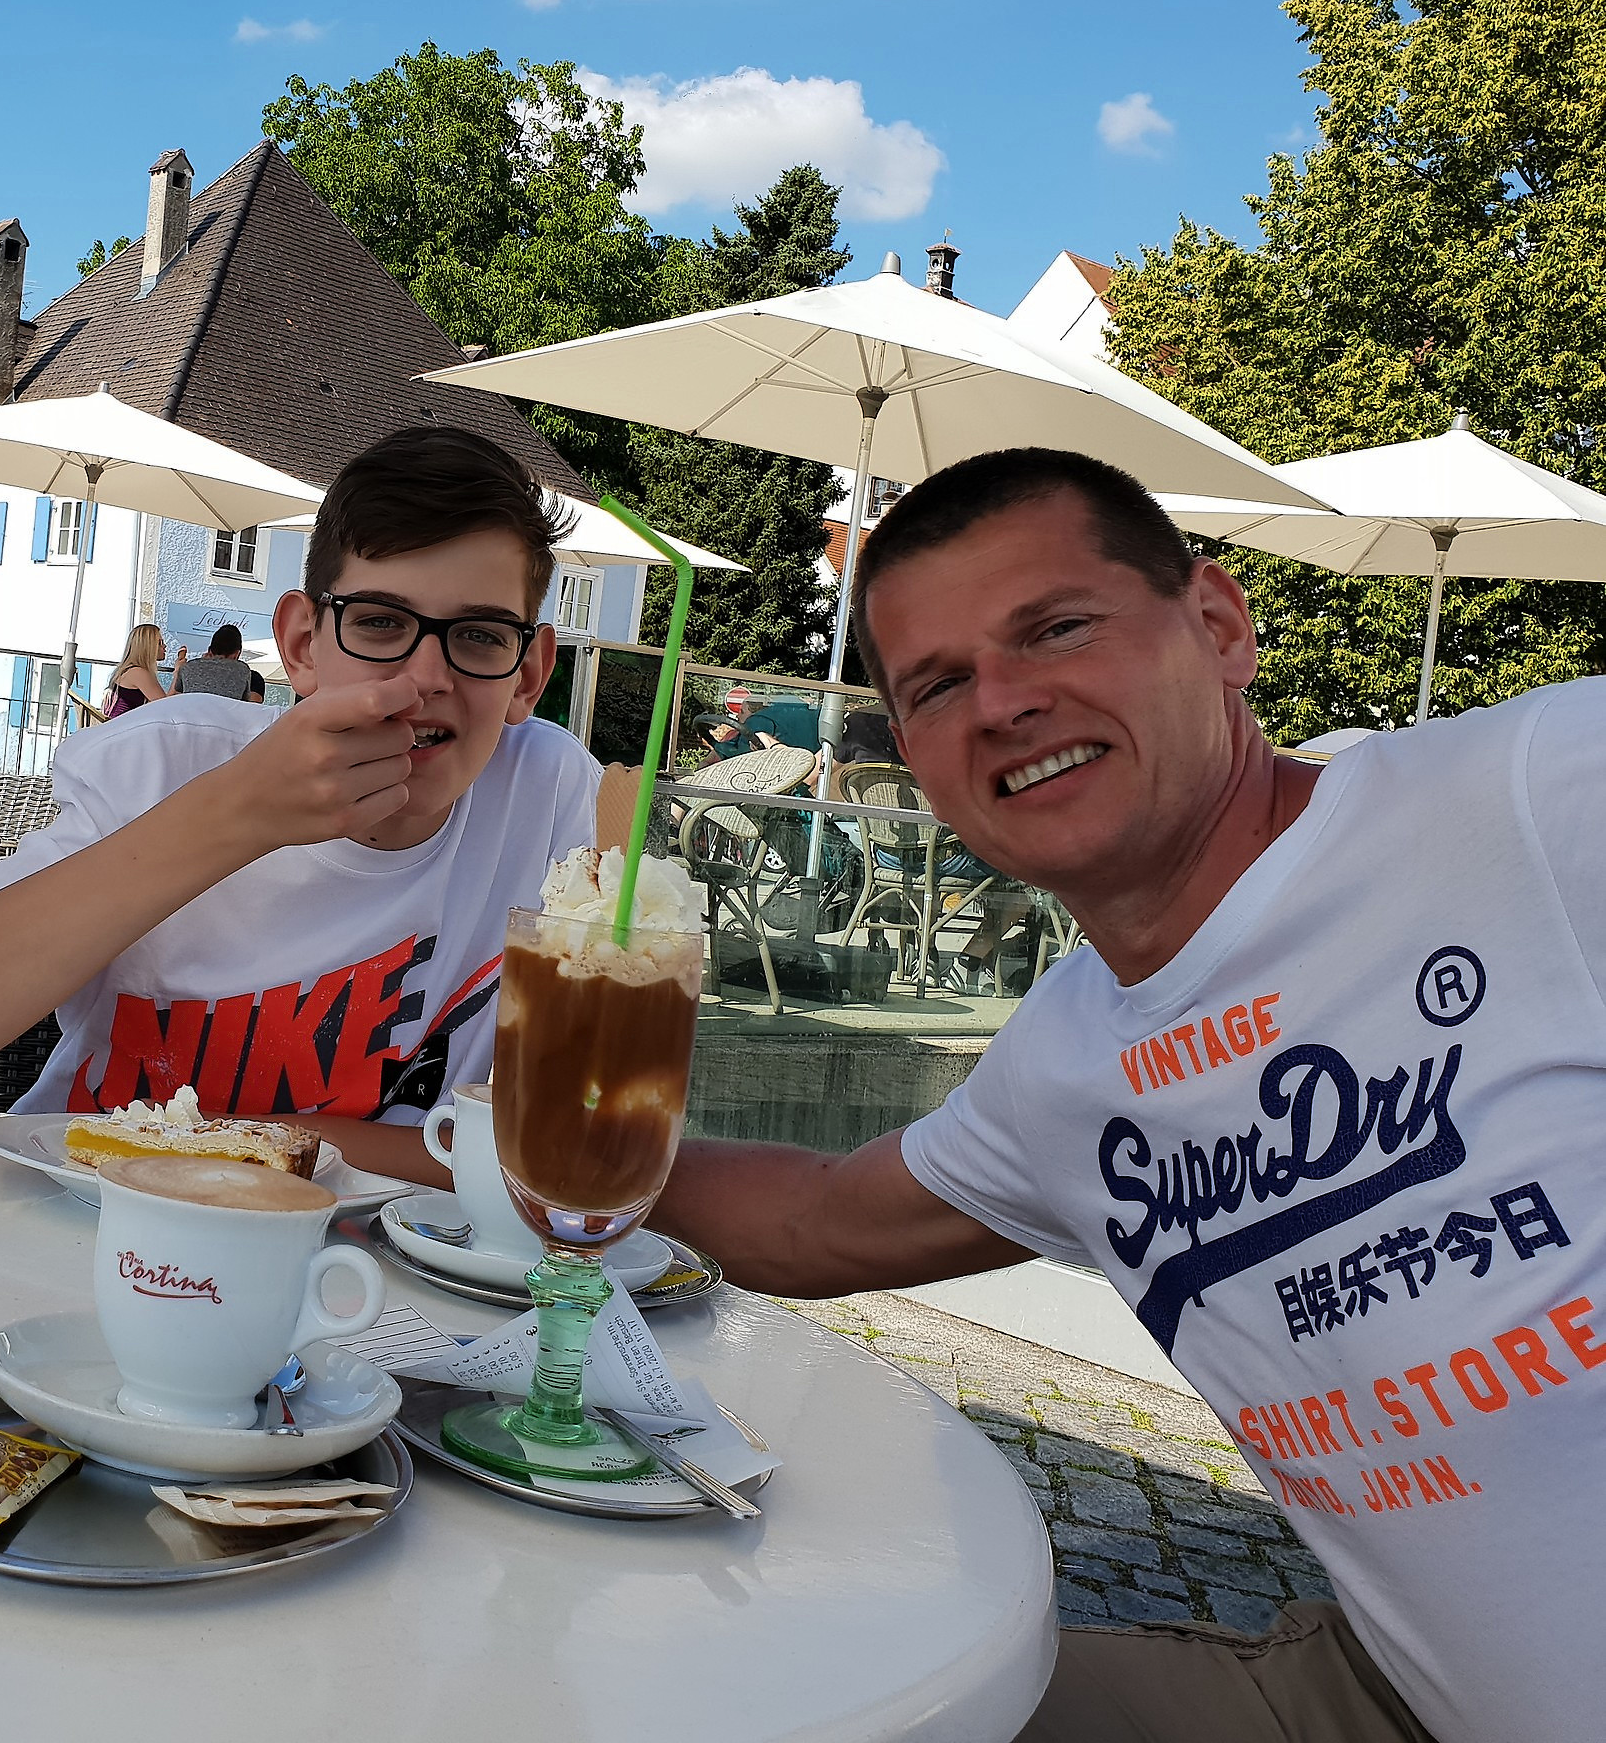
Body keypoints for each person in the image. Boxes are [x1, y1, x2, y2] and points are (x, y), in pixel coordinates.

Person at [650, 447, 1602, 1743]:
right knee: (766, 1700)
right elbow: (815, 1221)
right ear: (918, 761)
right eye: (938, 685)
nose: (1002, 701)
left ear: (1218, 626)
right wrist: (503, 1150)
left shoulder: (1531, 792)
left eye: (1056, 628)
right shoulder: (1065, 1066)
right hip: (1399, 1695)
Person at [0, 425, 621, 1184]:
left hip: (376, 1259)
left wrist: (240, 1144)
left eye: (480, 636)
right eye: (380, 623)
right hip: (82, 1224)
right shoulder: (170, 762)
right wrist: (237, 813)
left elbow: (558, 1149)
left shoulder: (550, 796)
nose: (425, 678)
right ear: (302, 645)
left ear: (528, 674)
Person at [173, 624, 262, 702]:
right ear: (236, 654)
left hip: (190, 715)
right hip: (226, 716)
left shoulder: (187, 667)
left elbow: (175, 696)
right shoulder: (242, 669)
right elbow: (245, 702)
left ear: (209, 650)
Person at [102, 623, 169, 718]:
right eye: (159, 643)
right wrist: (178, 673)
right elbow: (165, 706)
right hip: (123, 726)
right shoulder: (138, 672)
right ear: (147, 646)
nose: (164, 646)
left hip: (119, 724)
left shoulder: (128, 669)